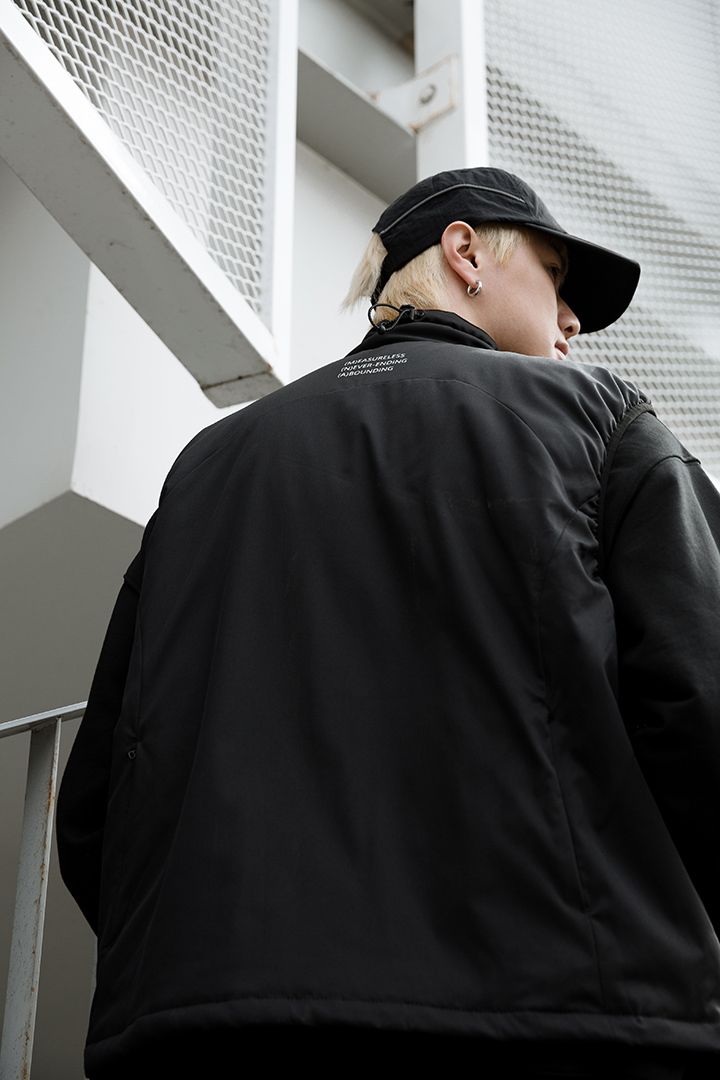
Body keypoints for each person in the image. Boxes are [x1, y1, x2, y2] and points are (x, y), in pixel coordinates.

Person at [57, 168, 720, 1079]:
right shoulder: (602, 424)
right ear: (465, 253)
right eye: (558, 277)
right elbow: (700, 706)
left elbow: (99, 800)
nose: (573, 320)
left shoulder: (207, 466)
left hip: (206, 1028)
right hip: (564, 1016)